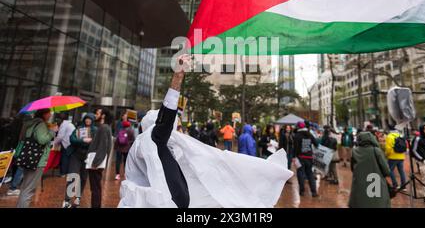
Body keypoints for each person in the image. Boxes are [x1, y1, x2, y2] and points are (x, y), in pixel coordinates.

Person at [119, 55, 293, 208]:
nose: (173, 130)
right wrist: (178, 78)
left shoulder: (158, 146)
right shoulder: (151, 139)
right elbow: (165, 119)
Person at [16, 109, 58, 208]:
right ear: (44, 114)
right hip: (37, 160)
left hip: (28, 158)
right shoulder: (41, 124)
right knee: (29, 190)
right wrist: (52, 131)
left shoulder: (30, 123)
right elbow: (42, 140)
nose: (50, 114)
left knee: (25, 188)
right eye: (49, 113)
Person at [62, 113, 97, 208]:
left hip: (87, 157)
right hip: (76, 155)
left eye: (90, 119)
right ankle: (67, 200)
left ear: (93, 120)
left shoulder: (95, 130)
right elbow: (72, 139)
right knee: (72, 176)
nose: (87, 120)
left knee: (83, 178)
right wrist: (83, 141)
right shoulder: (78, 128)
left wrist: (90, 141)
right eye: (86, 119)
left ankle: (78, 198)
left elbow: (96, 142)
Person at [349, 131, 391, 208]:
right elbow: (387, 171)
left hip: (360, 186)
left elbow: (352, 169)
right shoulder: (376, 151)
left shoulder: (354, 151)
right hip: (377, 187)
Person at [86, 109, 112, 208]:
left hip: (96, 163)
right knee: (95, 187)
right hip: (97, 162)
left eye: (98, 113)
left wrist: (95, 163)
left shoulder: (104, 128)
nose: (96, 115)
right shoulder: (104, 127)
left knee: (95, 187)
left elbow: (103, 146)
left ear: (103, 116)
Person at [293, 121, 319, 197]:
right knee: (310, 174)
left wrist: (294, 157)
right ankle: (314, 192)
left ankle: (302, 191)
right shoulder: (309, 134)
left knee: (300, 174)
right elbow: (316, 144)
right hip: (309, 157)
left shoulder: (297, 135)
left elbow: (295, 147)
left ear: (298, 127)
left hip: (300, 157)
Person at [384, 124, 407, 190]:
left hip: (392, 157)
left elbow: (388, 149)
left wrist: (386, 155)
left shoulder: (389, 136)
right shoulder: (400, 135)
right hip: (401, 156)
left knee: (390, 170)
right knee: (401, 171)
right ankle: (404, 186)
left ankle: (395, 184)